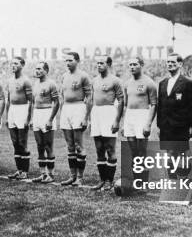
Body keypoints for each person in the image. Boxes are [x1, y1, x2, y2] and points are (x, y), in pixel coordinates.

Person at [157, 53, 192, 181]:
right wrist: (159, 125)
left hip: (181, 125)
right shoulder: (163, 83)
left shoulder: (187, 83)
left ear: (180, 64)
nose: (170, 64)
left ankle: (185, 178)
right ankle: (173, 180)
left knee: (182, 153)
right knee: (169, 153)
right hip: (166, 126)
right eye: (168, 62)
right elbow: (160, 106)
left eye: (173, 62)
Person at [90, 56, 124, 191]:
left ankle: (110, 181)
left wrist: (117, 120)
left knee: (110, 148)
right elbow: (92, 100)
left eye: (102, 63)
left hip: (109, 113)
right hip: (96, 113)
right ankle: (102, 180)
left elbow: (121, 101)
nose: (99, 65)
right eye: (97, 63)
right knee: (99, 149)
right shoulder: (94, 80)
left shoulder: (115, 80)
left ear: (109, 64)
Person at [123, 57, 157, 188]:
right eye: (130, 64)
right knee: (134, 153)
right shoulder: (127, 83)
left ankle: (143, 184)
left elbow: (154, 104)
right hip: (130, 117)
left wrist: (148, 124)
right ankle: (137, 182)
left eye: (135, 64)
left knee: (142, 153)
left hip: (143, 116)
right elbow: (126, 105)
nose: (132, 67)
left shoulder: (149, 82)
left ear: (141, 65)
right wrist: (124, 123)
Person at [59, 52, 92, 187]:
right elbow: (63, 95)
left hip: (79, 108)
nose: (68, 62)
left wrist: (86, 117)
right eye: (66, 60)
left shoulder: (83, 76)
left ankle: (80, 177)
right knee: (70, 146)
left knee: (79, 145)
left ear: (77, 61)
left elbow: (89, 97)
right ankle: (72, 176)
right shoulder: (64, 76)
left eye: (70, 60)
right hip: (67, 109)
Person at [30, 62, 60, 183]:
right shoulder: (35, 84)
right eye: (36, 68)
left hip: (47, 113)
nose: (37, 71)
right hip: (37, 114)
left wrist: (50, 119)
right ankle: (43, 174)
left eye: (39, 69)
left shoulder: (51, 84)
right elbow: (33, 102)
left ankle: (51, 175)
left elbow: (57, 102)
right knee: (39, 145)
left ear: (46, 71)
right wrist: (32, 118)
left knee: (48, 145)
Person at [6, 57, 34, 180]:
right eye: (12, 63)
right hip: (12, 110)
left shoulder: (26, 81)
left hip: (22, 110)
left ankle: (25, 171)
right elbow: (8, 100)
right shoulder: (10, 80)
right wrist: (7, 116)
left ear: (22, 65)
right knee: (15, 143)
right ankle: (19, 170)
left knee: (22, 142)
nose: (13, 66)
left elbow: (31, 102)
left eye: (16, 63)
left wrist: (28, 119)